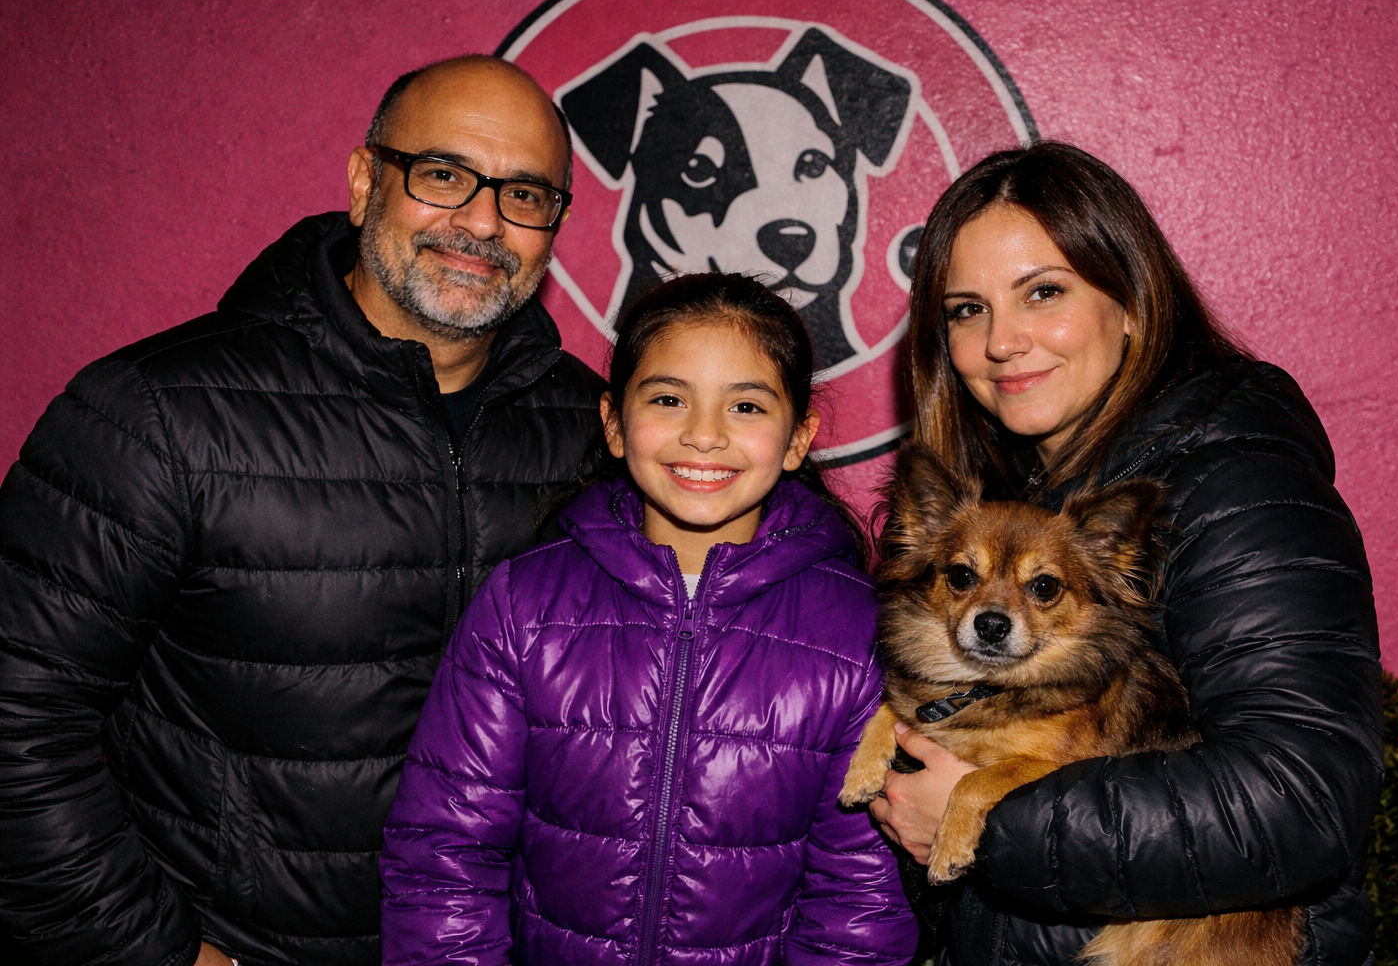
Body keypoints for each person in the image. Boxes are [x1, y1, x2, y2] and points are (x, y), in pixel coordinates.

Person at [0, 56, 604, 966]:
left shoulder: (595, 432)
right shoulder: (156, 413)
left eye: (525, 194)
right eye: (443, 174)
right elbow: (19, 719)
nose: (483, 222)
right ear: (364, 182)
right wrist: (161, 955)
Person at [868, 143, 1383, 965]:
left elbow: (1301, 801)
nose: (1002, 340)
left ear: (1135, 303)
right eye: (966, 309)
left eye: (1043, 292)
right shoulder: (1017, 494)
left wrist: (994, 826)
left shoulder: (1239, 486)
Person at [378, 274, 919, 965]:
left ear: (797, 439)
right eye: (668, 399)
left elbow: (860, 907)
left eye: (746, 406)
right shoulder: (524, 605)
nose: (704, 435)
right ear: (613, 423)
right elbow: (443, 857)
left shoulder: (858, 632)